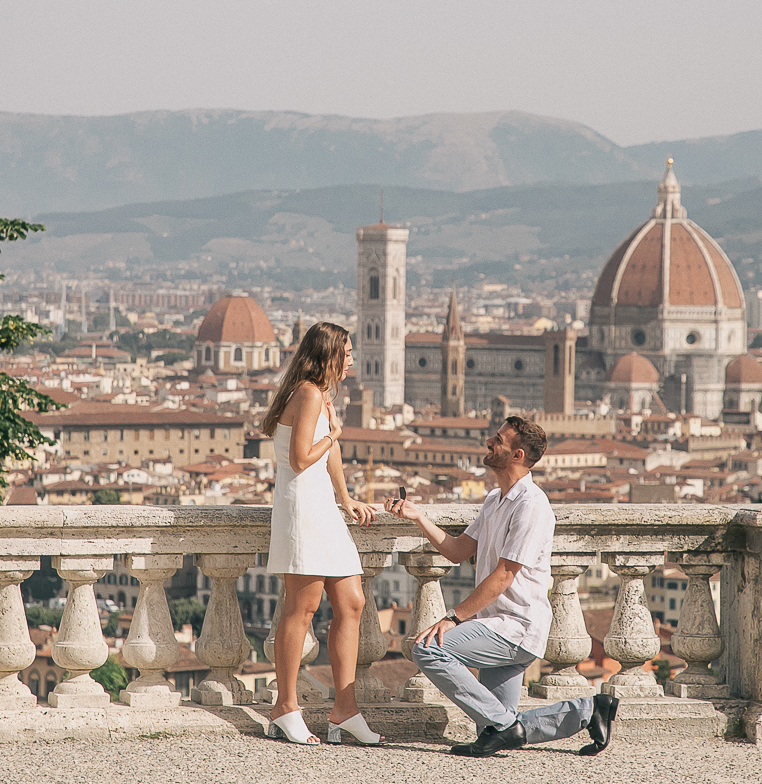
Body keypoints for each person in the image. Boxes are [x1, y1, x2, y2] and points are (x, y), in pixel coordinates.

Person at [384, 416, 618, 757]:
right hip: (497, 624)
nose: (489, 443)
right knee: (492, 728)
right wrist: (418, 516)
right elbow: (457, 550)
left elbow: (505, 574)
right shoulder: (495, 499)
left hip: (517, 628)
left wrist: (454, 618)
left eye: (498, 440)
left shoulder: (532, 506)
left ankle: (510, 727)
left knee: (426, 647)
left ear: (517, 455)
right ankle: (589, 711)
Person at [261, 321, 382, 746]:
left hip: (323, 509)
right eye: (346, 352)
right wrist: (333, 433)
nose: (351, 359)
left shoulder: (320, 395)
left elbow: (329, 456)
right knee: (303, 607)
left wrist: (346, 499)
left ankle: (344, 711)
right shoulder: (309, 394)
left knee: (351, 601)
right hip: (301, 508)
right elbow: (299, 459)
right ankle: (285, 708)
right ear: (329, 354)